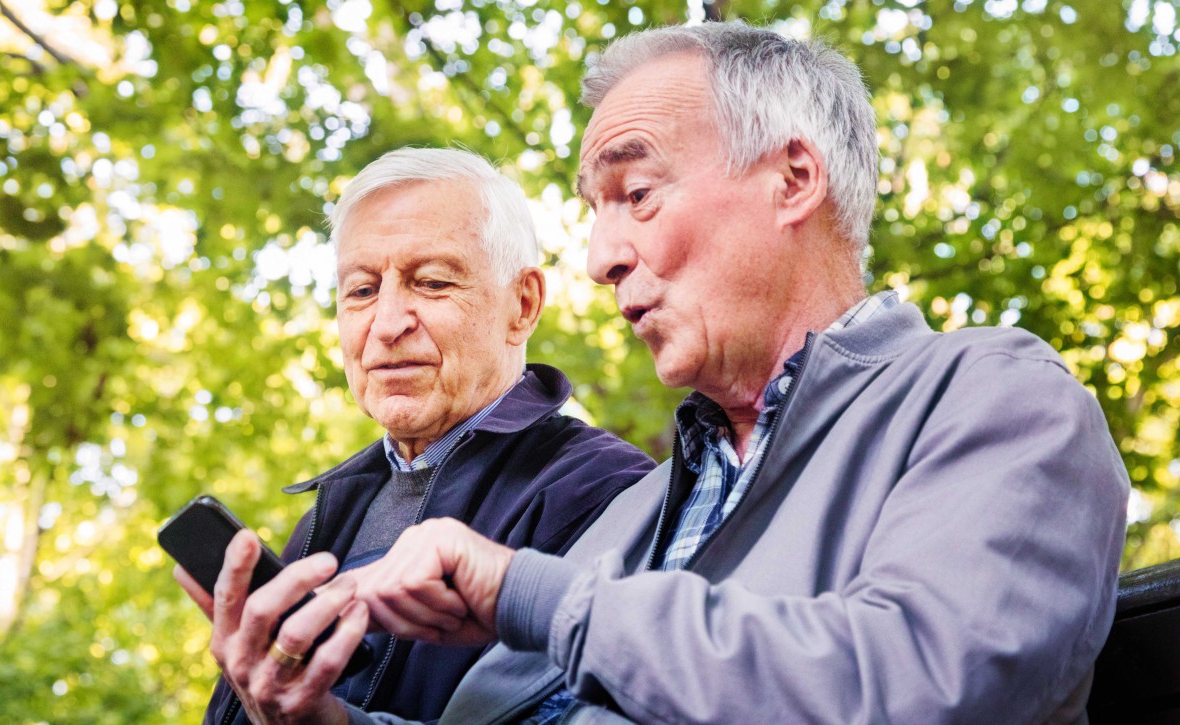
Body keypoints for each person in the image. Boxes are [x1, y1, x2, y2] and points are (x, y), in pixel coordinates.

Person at [335, 23, 1131, 724]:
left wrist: (534, 596)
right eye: (596, 209)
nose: (600, 258)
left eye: (636, 193)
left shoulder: (994, 397)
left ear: (793, 179)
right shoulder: (636, 510)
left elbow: (919, 687)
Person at [173, 148, 656, 724]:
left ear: (523, 305)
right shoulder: (329, 514)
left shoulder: (603, 489)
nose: (387, 323)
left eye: (430, 282)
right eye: (361, 291)